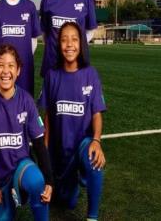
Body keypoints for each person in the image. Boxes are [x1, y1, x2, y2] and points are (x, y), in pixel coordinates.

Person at [0, 44, 53, 221]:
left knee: (36, 182)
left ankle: (22, 191)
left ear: (18, 70)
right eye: (1, 65)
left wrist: (49, 180)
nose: (5, 71)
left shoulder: (26, 100)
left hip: (20, 167)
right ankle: (9, 197)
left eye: (11, 65)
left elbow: (39, 143)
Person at [38, 22, 106, 221]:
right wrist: (45, 148)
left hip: (81, 145)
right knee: (65, 201)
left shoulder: (90, 74)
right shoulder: (52, 75)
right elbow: (49, 116)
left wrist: (96, 140)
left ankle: (92, 217)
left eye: (74, 39)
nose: (69, 44)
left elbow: (96, 113)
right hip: (59, 152)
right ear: (58, 45)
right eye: (64, 39)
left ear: (81, 44)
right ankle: (75, 180)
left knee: (95, 159)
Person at [40, 0, 97, 78]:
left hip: (78, 65)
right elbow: (45, 34)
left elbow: (90, 30)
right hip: (52, 65)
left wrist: (73, 48)